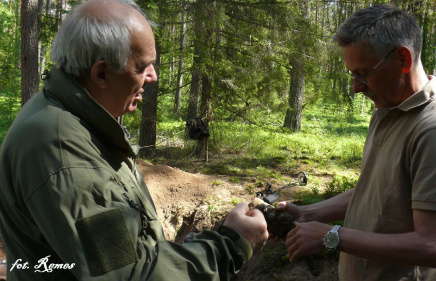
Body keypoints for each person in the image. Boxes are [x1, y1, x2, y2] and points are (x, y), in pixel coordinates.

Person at [0, 0, 267, 280]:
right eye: (142, 66)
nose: (153, 76)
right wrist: (230, 245)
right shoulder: (64, 154)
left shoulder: (81, 124)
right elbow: (127, 274)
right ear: (101, 73)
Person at [278, 4, 436, 281]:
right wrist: (308, 214)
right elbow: (376, 191)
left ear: (403, 59)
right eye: (352, 75)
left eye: (363, 73)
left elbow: (431, 246)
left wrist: (333, 236)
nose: (356, 87)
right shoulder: (387, 111)